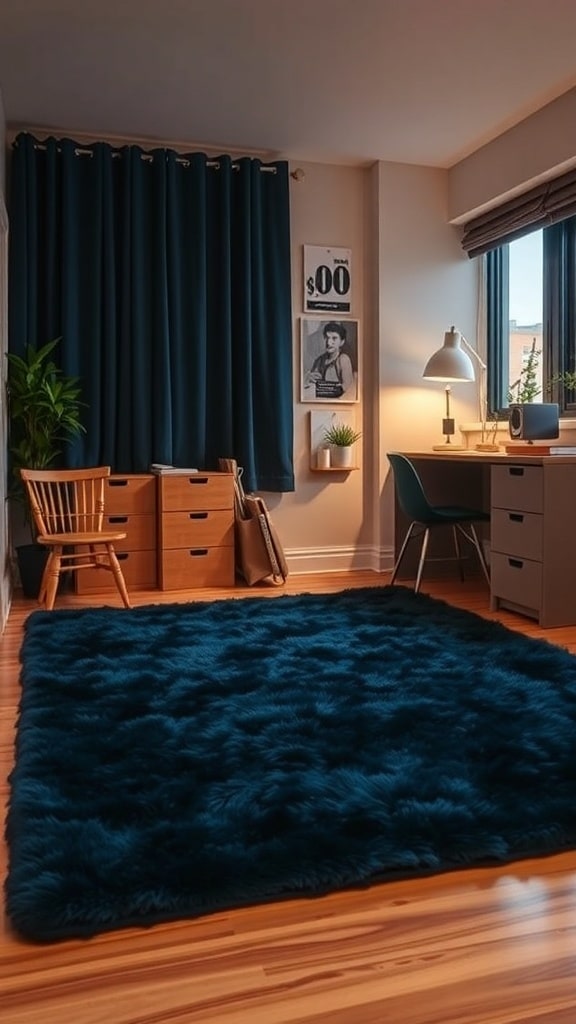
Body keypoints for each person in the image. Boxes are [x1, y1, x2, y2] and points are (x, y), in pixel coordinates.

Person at [305, 321, 355, 399]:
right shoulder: (319, 360)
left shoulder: (343, 359)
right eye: (326, 337)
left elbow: (347, 388)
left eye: (334, 338)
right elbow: (311, 386)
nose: (329, 342)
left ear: (342, 342)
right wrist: (308, 378)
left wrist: (321, 389)